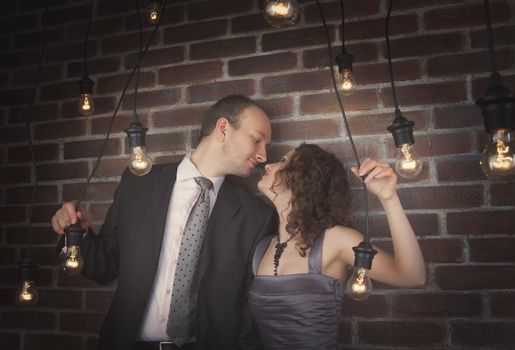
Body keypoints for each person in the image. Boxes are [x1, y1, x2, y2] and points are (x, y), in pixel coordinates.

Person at [51, 95, 277, 350]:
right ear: (223, 129)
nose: (263, 155)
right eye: (257, 140)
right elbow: (105, 266)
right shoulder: (139, 183)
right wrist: (75, 234)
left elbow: (249, 314)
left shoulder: (257, 216)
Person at [249, 144, 426, 349]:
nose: (268, 165)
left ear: (305, 177)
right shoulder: (262, 248)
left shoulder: (335, 240)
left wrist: (389, 198)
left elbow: (412, 276)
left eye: (283, 162)